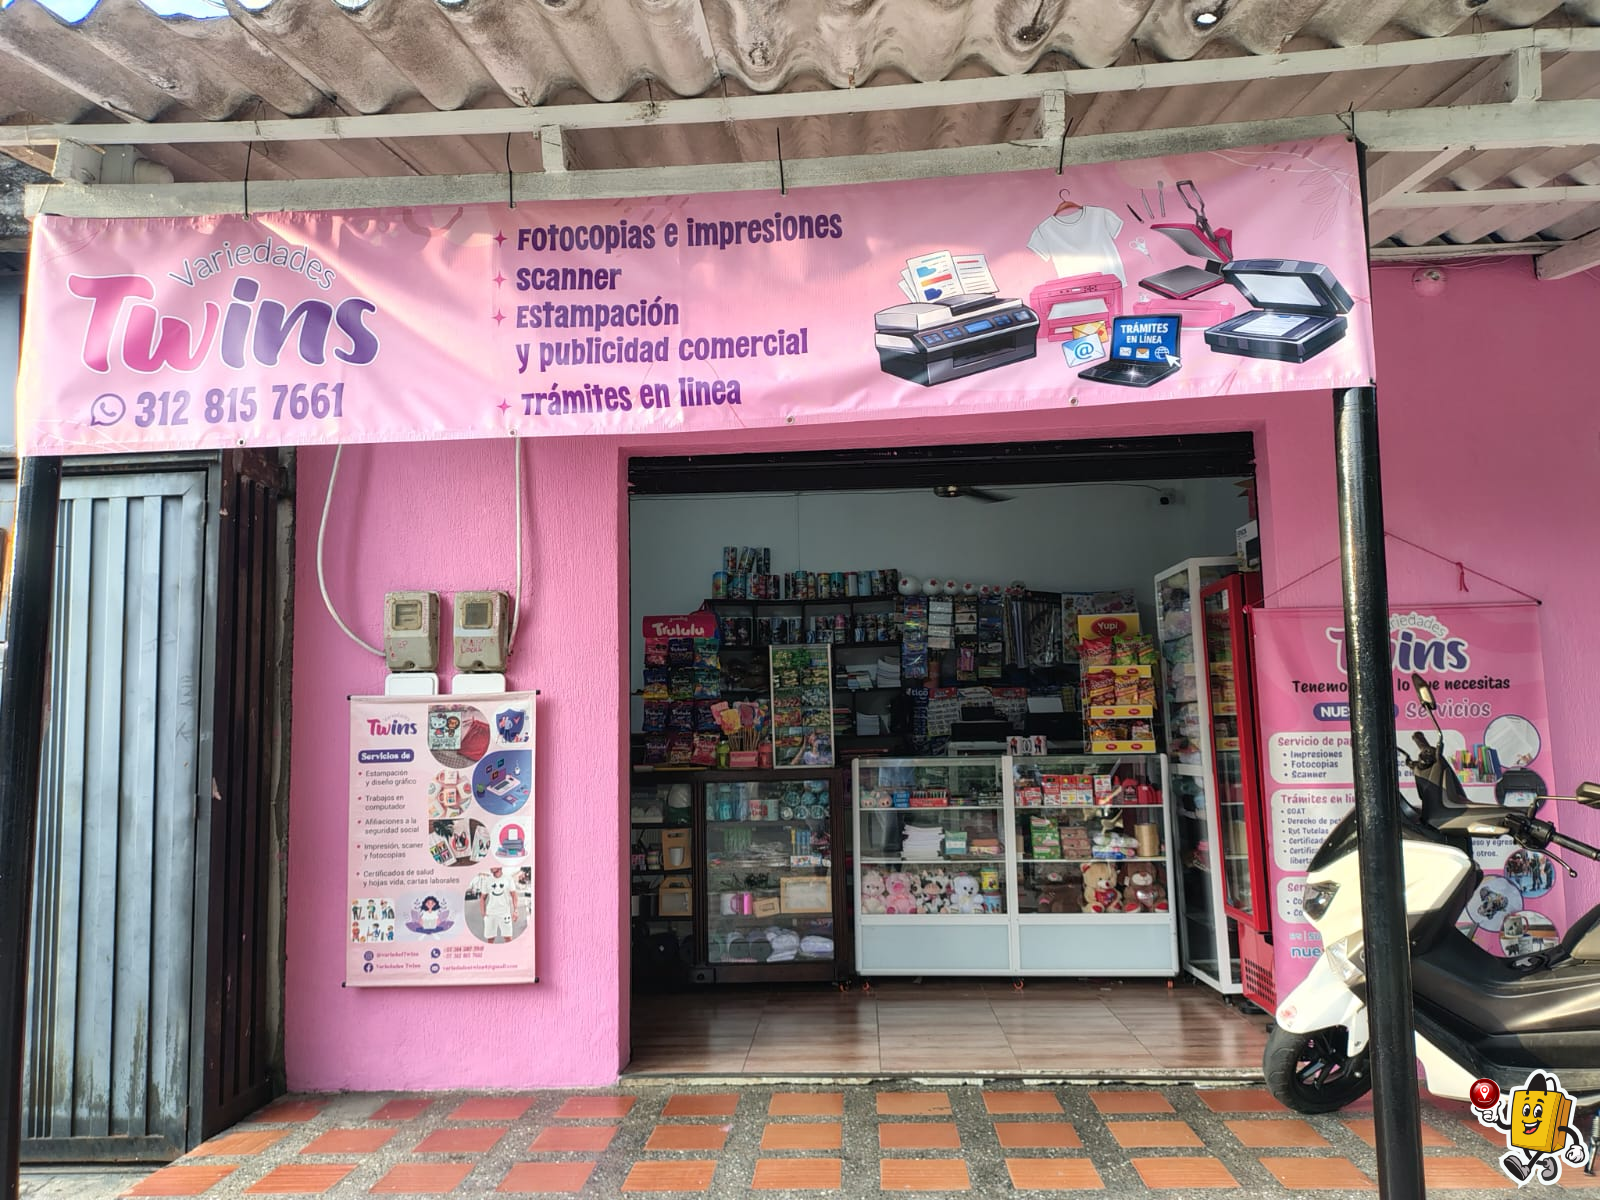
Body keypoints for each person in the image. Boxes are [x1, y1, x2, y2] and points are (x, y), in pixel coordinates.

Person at [479, 865, 519, 944]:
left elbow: (514, 895)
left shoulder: (508, 879)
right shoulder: (487, 880)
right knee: (490, 939)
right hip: (490, 913)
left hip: (504, 913)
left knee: (508, 938)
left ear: (500, 866)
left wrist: (516, 911)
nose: (491, 866)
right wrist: (483, 912)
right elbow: (483, 897)